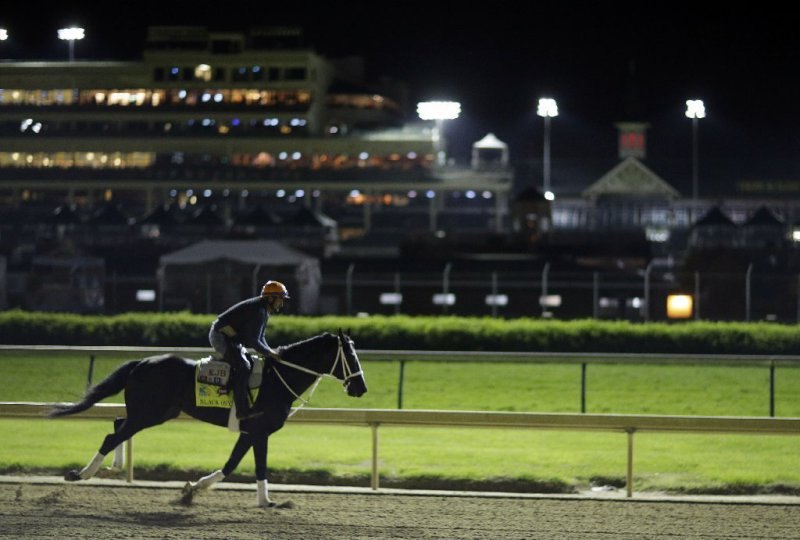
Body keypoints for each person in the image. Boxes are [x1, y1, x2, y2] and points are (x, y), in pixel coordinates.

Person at [209, 280, 289, 431]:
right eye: (281, 299)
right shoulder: (259, 310)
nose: (282, 304)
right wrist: (270, 353)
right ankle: (241, 411)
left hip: (230, 339)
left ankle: (230, 389)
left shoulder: (263, 310)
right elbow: (253, 341)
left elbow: (260, 338)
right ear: (271, 298)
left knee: (250, 364)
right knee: (244, 367)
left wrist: (269, 351)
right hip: (220, 336)